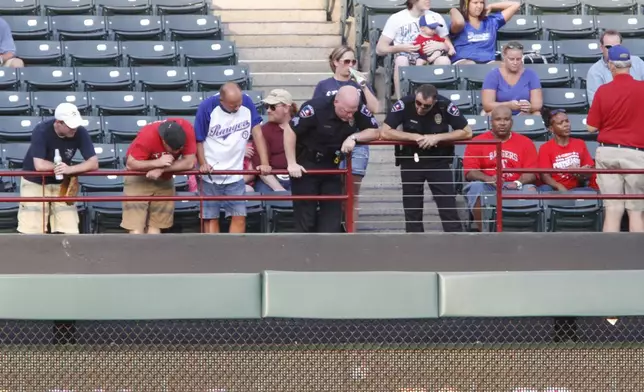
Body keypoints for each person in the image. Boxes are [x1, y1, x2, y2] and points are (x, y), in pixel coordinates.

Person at [284, 86, 381, 233]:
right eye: (346, 111)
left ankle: (329, 252)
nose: (350, 116)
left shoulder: (356, 108)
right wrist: (291, 163)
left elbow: (375, 131)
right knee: (306, 218)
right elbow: (290, 130)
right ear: (336, 102)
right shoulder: (315, 108)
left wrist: (354, 137)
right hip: (307, 164)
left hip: (333, 165)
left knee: (332, 219)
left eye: (352, 112)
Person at [380, 84, 473, 232]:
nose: (420, 108)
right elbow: (385, 132)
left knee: (447, 205)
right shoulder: (404, 103)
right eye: (418, 103)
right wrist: (414, 137)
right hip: (411, 158)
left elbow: (467, 132)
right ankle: (414, 244)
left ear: (434, 102)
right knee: (412, 207)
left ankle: (456, 243)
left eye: (426, 106)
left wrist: (438, 138)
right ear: (415, 96)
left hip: (438, 159)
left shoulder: (444, 105)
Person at [312, 46, 378, 224]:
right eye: (346, 61)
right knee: (335, 192)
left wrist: (363, 85)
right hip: (331, 143)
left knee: (352, 193)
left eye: (353, 61)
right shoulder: (324, 85)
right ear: (335, 62)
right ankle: (336, 229)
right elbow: (316, 111)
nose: (350, 65)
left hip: (356, 140)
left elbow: (375, 109)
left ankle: (351, 235)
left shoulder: (359, 83)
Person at [195, 82, 272, 234]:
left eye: (239, 103)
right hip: (211, 174)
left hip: (236, 174)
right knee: (211, 218)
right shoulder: (207, 107)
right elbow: (199, 139)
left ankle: (235, 252)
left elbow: (257, 133)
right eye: (232, 105)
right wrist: (203, 163)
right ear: (221, 101)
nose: (237, 108)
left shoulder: (247, 102)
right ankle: (212, 253)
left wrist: (264, 162)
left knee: (239, 216)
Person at [586, 45, 644, 233]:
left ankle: (609, 260)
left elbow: (591, 127)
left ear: (611, 65)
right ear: (630, 64)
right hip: (636, 153)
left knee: (613, 209)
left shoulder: (603, 90)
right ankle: (638, 259)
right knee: (636, 211)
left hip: (609, 151)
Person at [18, 103, 98, 234]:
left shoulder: (80, 131)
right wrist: (61, 168)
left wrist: (69, 170)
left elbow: (94, 163)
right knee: (32, 229)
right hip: (35, 180)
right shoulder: (41, 130)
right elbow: (39, 165)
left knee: (69, 228)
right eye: (71, 126)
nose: (74, 129)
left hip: (62, 181)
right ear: (59, 123)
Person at [463, 106, 538, 231]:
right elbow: (470, 172)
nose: (502, 123)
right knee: (476, 187)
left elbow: (532, 172)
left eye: (506, 119)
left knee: (530, 189)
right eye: (498, 119)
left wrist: (517, 182)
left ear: (512, 122)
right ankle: (485, 231)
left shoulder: (525, 142)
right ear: (491, 121)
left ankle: (523, 231)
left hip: (516, 184)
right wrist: (488, 179)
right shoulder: (477, 141)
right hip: (489, 184)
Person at [121, 118, 197, 234]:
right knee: (135, 228)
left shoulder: (187, 129)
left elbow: (189, 162)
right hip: (138, 176)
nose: (177, 152)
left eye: (180, 149)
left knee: (157, 226)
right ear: (164, 142)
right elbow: (131, 164)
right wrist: (157, 163)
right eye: (173, 150)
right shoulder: (148, 135)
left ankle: (153, 252)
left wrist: (161, 169)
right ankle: (137, 252)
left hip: (164, 177)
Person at [375, 0, 457, 99]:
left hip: (430, 59)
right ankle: (402, 101)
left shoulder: (435, 17)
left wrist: (441, 46)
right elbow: (379, 49)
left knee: (444, 60)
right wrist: (401, 47)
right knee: (401, 60)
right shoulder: (396, 18)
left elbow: (447, 44)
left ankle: (439, 101)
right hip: (406, 59)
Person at [538, 108, 595, 192]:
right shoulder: (545, 148)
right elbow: (545, 176)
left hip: (577, 188)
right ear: (551, 129)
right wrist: (559, 186)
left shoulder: (580, 143)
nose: (566, 125)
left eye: (567, 121)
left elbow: (589, 171)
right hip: (555, 189)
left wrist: (579, 173)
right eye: (560, 123)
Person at [252, 89, 297, 194]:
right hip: (270, 179)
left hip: (297, 178)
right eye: (266, 106)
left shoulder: (301, 127)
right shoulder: (263, 131)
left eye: (272, 107)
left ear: (286, 108)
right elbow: (260, 167)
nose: (268, 110)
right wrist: (279, 190)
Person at [449, 0, 520, 65]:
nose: (479, 6)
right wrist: (453, 10)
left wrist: (491, 6)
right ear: (466, 4)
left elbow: (516, 5)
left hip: (487, 62)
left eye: (481, 2)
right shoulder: (461, 24)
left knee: (502, 66)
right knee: (470, 64)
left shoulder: (492, 21)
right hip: (464, 61)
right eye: (475, 3)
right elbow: (458, 22)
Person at [481, 41, 542, 116]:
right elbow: (487, 105)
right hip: (501, 114)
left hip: (523, 114)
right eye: (511, 59)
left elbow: (537, 104)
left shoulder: (531, 74)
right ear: (504, 57)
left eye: (518, 59)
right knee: (487, 114)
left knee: (537, 114)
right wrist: (508, 105)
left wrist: (528, 107)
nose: (515, 62)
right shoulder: (493, 75)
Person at [586, 30, 644, 104]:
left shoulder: (637, 62)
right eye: (609, 47)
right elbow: (597, 105)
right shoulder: (594, 71)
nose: (613, 50)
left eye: (617, 46)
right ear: (601, 48)